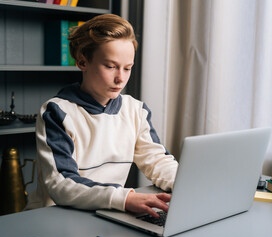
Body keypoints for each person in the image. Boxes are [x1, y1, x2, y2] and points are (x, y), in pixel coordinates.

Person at [25, 14, 178, 218]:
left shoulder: (135, 110)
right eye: (110, 66)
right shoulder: (57, 112)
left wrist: (186, 182)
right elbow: (62, 184)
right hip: (56, 216)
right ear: (82, 62)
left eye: (127, 68)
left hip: (106, 213)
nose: (120, 78)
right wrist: (124, 198)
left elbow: (157, 161)